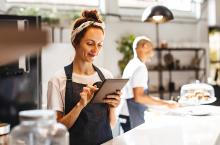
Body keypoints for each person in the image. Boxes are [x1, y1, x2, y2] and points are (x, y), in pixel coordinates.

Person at [47, 10, 121, 145]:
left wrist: (113, 107)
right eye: (90, 43)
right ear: (76, 41)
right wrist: (80, 105)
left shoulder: (106, 76)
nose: (95, 51)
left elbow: (110, 125)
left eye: (99, 45)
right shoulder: (58, 79)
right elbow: (56, 131)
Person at [119, 36, 179, 131]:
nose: (152, 54)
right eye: (152, 49)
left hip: (125, 115)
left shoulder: (131, 64)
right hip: (132, 116)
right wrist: (166, 103)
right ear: (145, 46)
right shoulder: (140, 67)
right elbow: (139, 97)